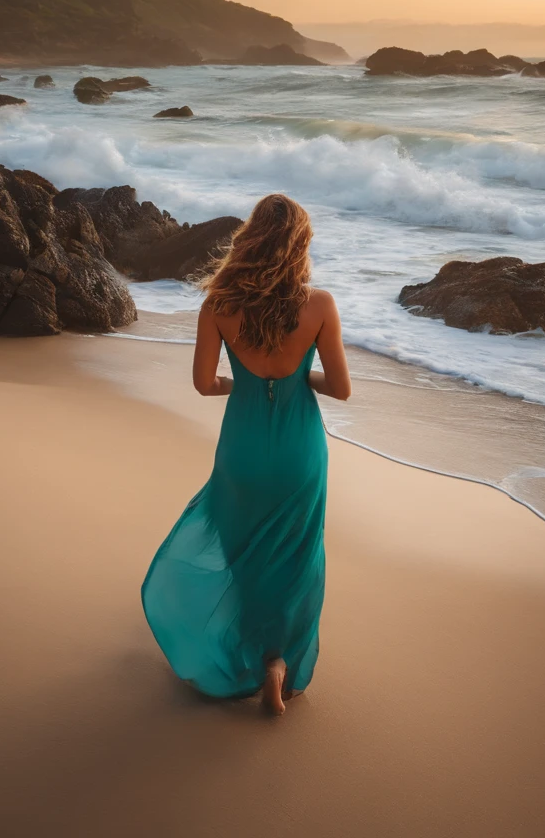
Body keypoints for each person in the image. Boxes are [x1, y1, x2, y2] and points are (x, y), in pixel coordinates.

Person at [141, 193, 351, 715]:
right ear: (300, 244)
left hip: (242, 447)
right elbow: (342, 389)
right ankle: (278, 664)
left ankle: (247, 654)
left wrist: (244, 384)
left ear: (250, 239)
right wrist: (300, 376)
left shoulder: (218, 305)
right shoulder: (319, 306)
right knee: (297, 557)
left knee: (243, 553)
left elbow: (204, 384)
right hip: (300, 452)